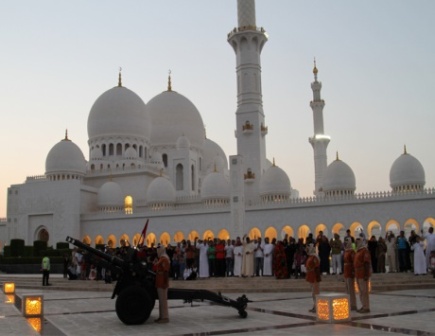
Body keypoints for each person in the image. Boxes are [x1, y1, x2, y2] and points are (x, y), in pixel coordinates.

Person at [354, 237, 371, 313]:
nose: (356, 243)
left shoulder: (364, 251)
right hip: (358, 273)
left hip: (363, 273)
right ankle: (363, 305)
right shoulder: (358, 251)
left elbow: (366, 263)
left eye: (357, 242)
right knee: (360, 291)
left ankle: (366, 307)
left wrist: (366, 274)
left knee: (364, 291)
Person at [154, 244, 170, 323]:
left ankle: (165, 318)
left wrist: (165, 283)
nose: (157, 251)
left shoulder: (164, 259)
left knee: (163, 300)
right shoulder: (161, 258)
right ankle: (161, 317)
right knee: (161, 301)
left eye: (158, 250)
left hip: (162, 283)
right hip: (159, 282)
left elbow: (166, 272)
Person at [305, 243, 321, 313]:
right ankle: (315, 306)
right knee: (313, 293)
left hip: (314, 276)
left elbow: (316, 267)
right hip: (310, 276)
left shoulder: (315, 257)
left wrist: (316, 277)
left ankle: (317, 306)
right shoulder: (310, 256)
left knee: (315, 292)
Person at [343, 237, 357, 311]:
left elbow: (353, 262)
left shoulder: (351, 252)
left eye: (346, 242)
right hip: (346, 271)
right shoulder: (346, 251)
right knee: (347, 289)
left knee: (351, 289)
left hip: (350, 271)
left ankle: (353, 304)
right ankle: (348, 303)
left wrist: (353, 271)